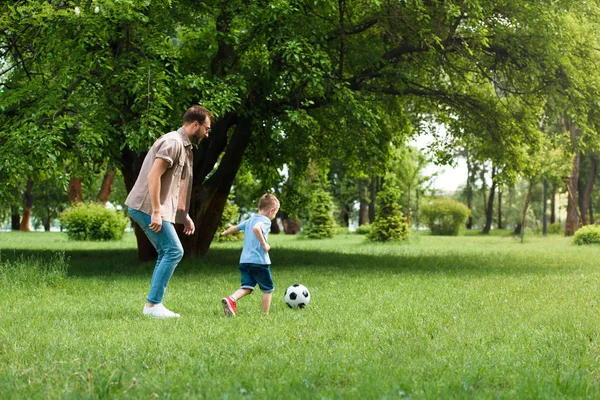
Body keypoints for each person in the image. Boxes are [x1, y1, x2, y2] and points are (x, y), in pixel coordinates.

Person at [125, 105, 213, 318]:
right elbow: (153, 177)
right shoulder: (173, 143)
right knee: (174, 250)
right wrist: (155, 212)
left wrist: (183, 215)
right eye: (207, 128)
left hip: (151, 208)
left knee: (168, 251)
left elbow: (175, 187)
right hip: (146, 206)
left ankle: (153, 305)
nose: (207, 133)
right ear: (195, 125)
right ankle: (153, 306)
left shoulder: (184, 146)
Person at [220, 194, 280, 316]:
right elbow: (257, 229)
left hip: (244, 262)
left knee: (247, 287)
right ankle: (265, 315)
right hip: (259, 262)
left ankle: (231, 299)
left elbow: (236, 228)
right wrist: (264, 244)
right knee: (268, 290)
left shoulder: (250, 220)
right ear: (271, 210)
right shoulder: (265, 221)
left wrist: (224, 233)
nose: (274, 216)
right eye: (275, 213)